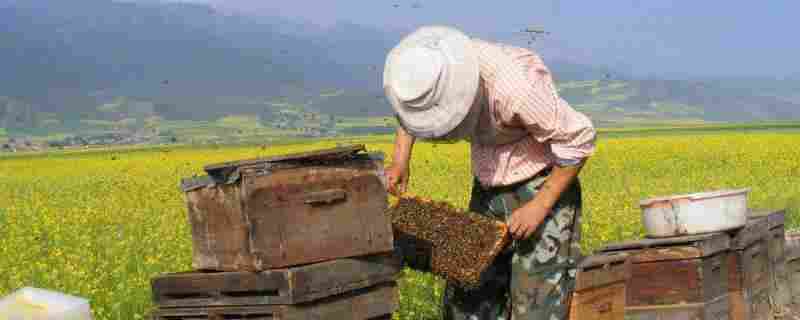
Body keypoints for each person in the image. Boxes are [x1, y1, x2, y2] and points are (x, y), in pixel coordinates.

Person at [382, 25, 597, 320]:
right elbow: (411, 113)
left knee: (536, 307)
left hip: (542, 181)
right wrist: (400, 160)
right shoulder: (430, 66)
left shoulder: (516, 86)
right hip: (488, 185)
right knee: (467, 301)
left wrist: (539, 205)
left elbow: (578, 138)